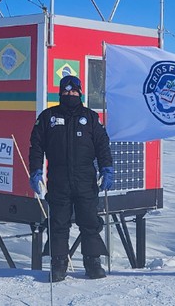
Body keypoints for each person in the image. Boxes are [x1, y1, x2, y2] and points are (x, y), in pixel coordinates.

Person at [29, 74, 115, 282]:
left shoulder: (91, 118)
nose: (70, 94)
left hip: (85, 178)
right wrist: (36, 171)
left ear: (80, 93)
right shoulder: (48, 117)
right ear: (60, 93)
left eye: (74, 91)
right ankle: (58, 264)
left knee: (89, 221)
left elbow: (103, 145)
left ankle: (93, 262)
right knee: (58, 222)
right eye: (66, 91)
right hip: (59, 178)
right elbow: (36, 147)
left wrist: (107, 168)